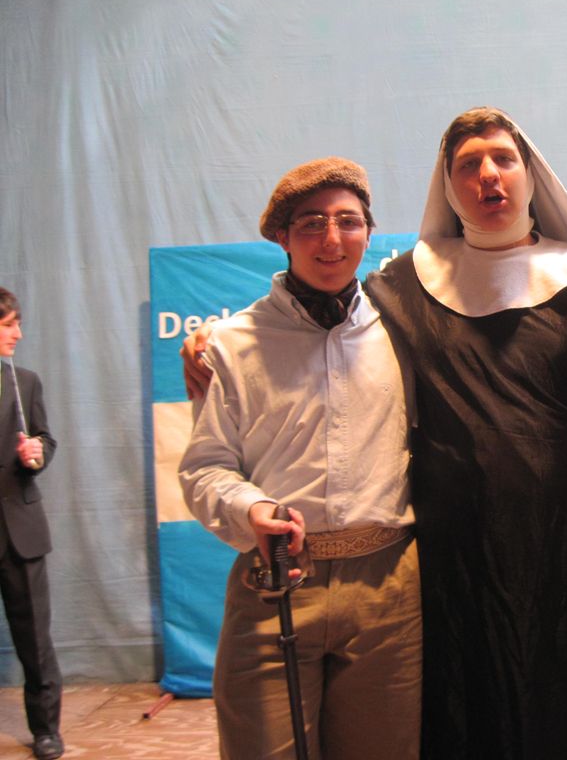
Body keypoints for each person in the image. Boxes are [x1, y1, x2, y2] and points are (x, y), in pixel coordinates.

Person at [181, 107, 567, 759]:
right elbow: (314, 313)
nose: (488, 176)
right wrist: (214, 338)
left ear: (532, 174)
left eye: (503, 159)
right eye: (468, 164)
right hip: (454, 555)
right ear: (446, 186)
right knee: (464, 716)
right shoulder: (403, 288)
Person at [178, 158, 421, 760]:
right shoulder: (231, 344)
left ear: (369, 232)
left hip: (389, 591)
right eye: (312, 223)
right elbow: (205, 467)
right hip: (277, 584)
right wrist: (251, 509)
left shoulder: (406, 332)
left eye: (348, 221)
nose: (332, 239)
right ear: (282, 236)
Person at [0, 287, 63, 760]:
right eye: (9, 324)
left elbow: (44, 440)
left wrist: (36, 453)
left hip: (19, 530)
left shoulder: (25, 382)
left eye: (18, 322)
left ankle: (46, 730)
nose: (19, 333)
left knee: (35, 640)